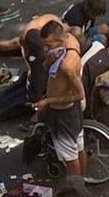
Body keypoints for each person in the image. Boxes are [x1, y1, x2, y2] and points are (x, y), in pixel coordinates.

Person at [34, 19, 87, 176]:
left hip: (64, 115)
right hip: (69, 114)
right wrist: (49, 61)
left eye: (49, 45)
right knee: (79, 148)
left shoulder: (67, 66)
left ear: (62, 40)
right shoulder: (67, 43)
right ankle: (82, 183)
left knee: (71, 160)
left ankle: (76, 189)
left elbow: (79, 94)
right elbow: (46, 68)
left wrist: (48, 101)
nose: (46, 49)